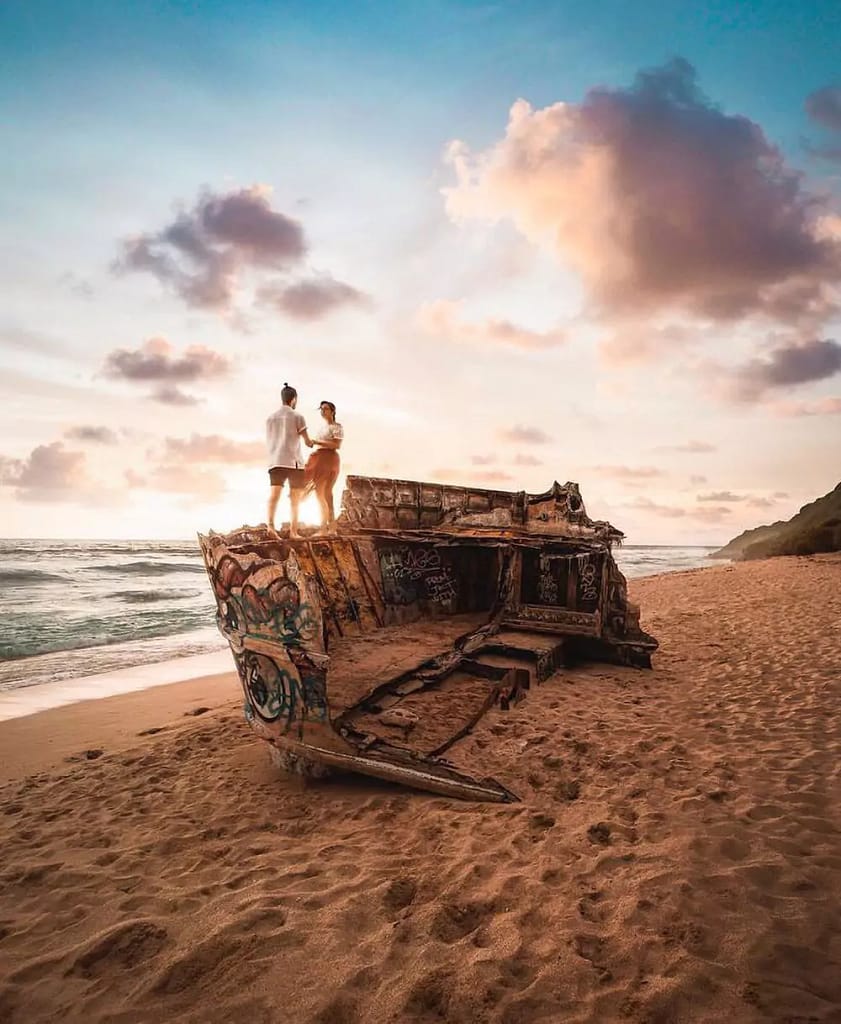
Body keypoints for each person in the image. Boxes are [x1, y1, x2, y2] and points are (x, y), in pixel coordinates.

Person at [266, 383, 312, 538]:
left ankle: (271, 527)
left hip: (275, 460)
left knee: (274, 495)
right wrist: (314, 442)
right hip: (294, 462)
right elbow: (307, 441)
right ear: (294, 399)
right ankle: (293, 532)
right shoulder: (298, 416)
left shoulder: (270, 418)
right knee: (295, 498)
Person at [303, 400, 344, 534]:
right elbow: (319, 444)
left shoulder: (337, 426)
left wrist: (316, 441)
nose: (323, 411)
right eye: (321, 409)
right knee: (320, 493)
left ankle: (329, 527)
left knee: (326, 492)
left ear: (332, 411)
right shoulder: (321, 428)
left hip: (329, 459)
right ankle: (326, 526)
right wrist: (311, 443)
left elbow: (336, 445)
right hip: (319, 458)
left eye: (325, 409)